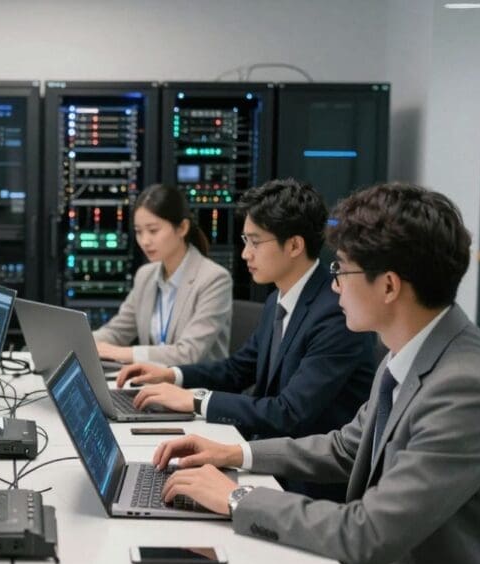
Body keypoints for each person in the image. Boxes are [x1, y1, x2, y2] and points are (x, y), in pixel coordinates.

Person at [150, 183, 480, 564]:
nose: (334, 284)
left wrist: (238, 497)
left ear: (389, 286)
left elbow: (369, 535)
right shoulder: (409, 351)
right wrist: (235, 455)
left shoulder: (465, 390)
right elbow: (345, 447)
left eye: (341, 269)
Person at [117, 179, 376, 501]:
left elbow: (290, 412)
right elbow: (240, 369)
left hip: (308, 485)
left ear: (294, 246)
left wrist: (196, 401)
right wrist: (173, 375)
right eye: (245, 240)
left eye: (255, 242)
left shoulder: (336, 312)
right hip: (267, 458)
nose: (244, 254)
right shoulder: (279, 300)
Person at [92, 183, 232, 365]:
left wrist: (121, 353)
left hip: (194, 388)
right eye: (139, 232)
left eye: (153, 230)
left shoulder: (214, 279)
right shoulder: (146, 275)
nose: (144, 241)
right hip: (152, 385)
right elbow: (117, 331)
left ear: (182, 228)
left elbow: (188, 353)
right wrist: (80, 343)